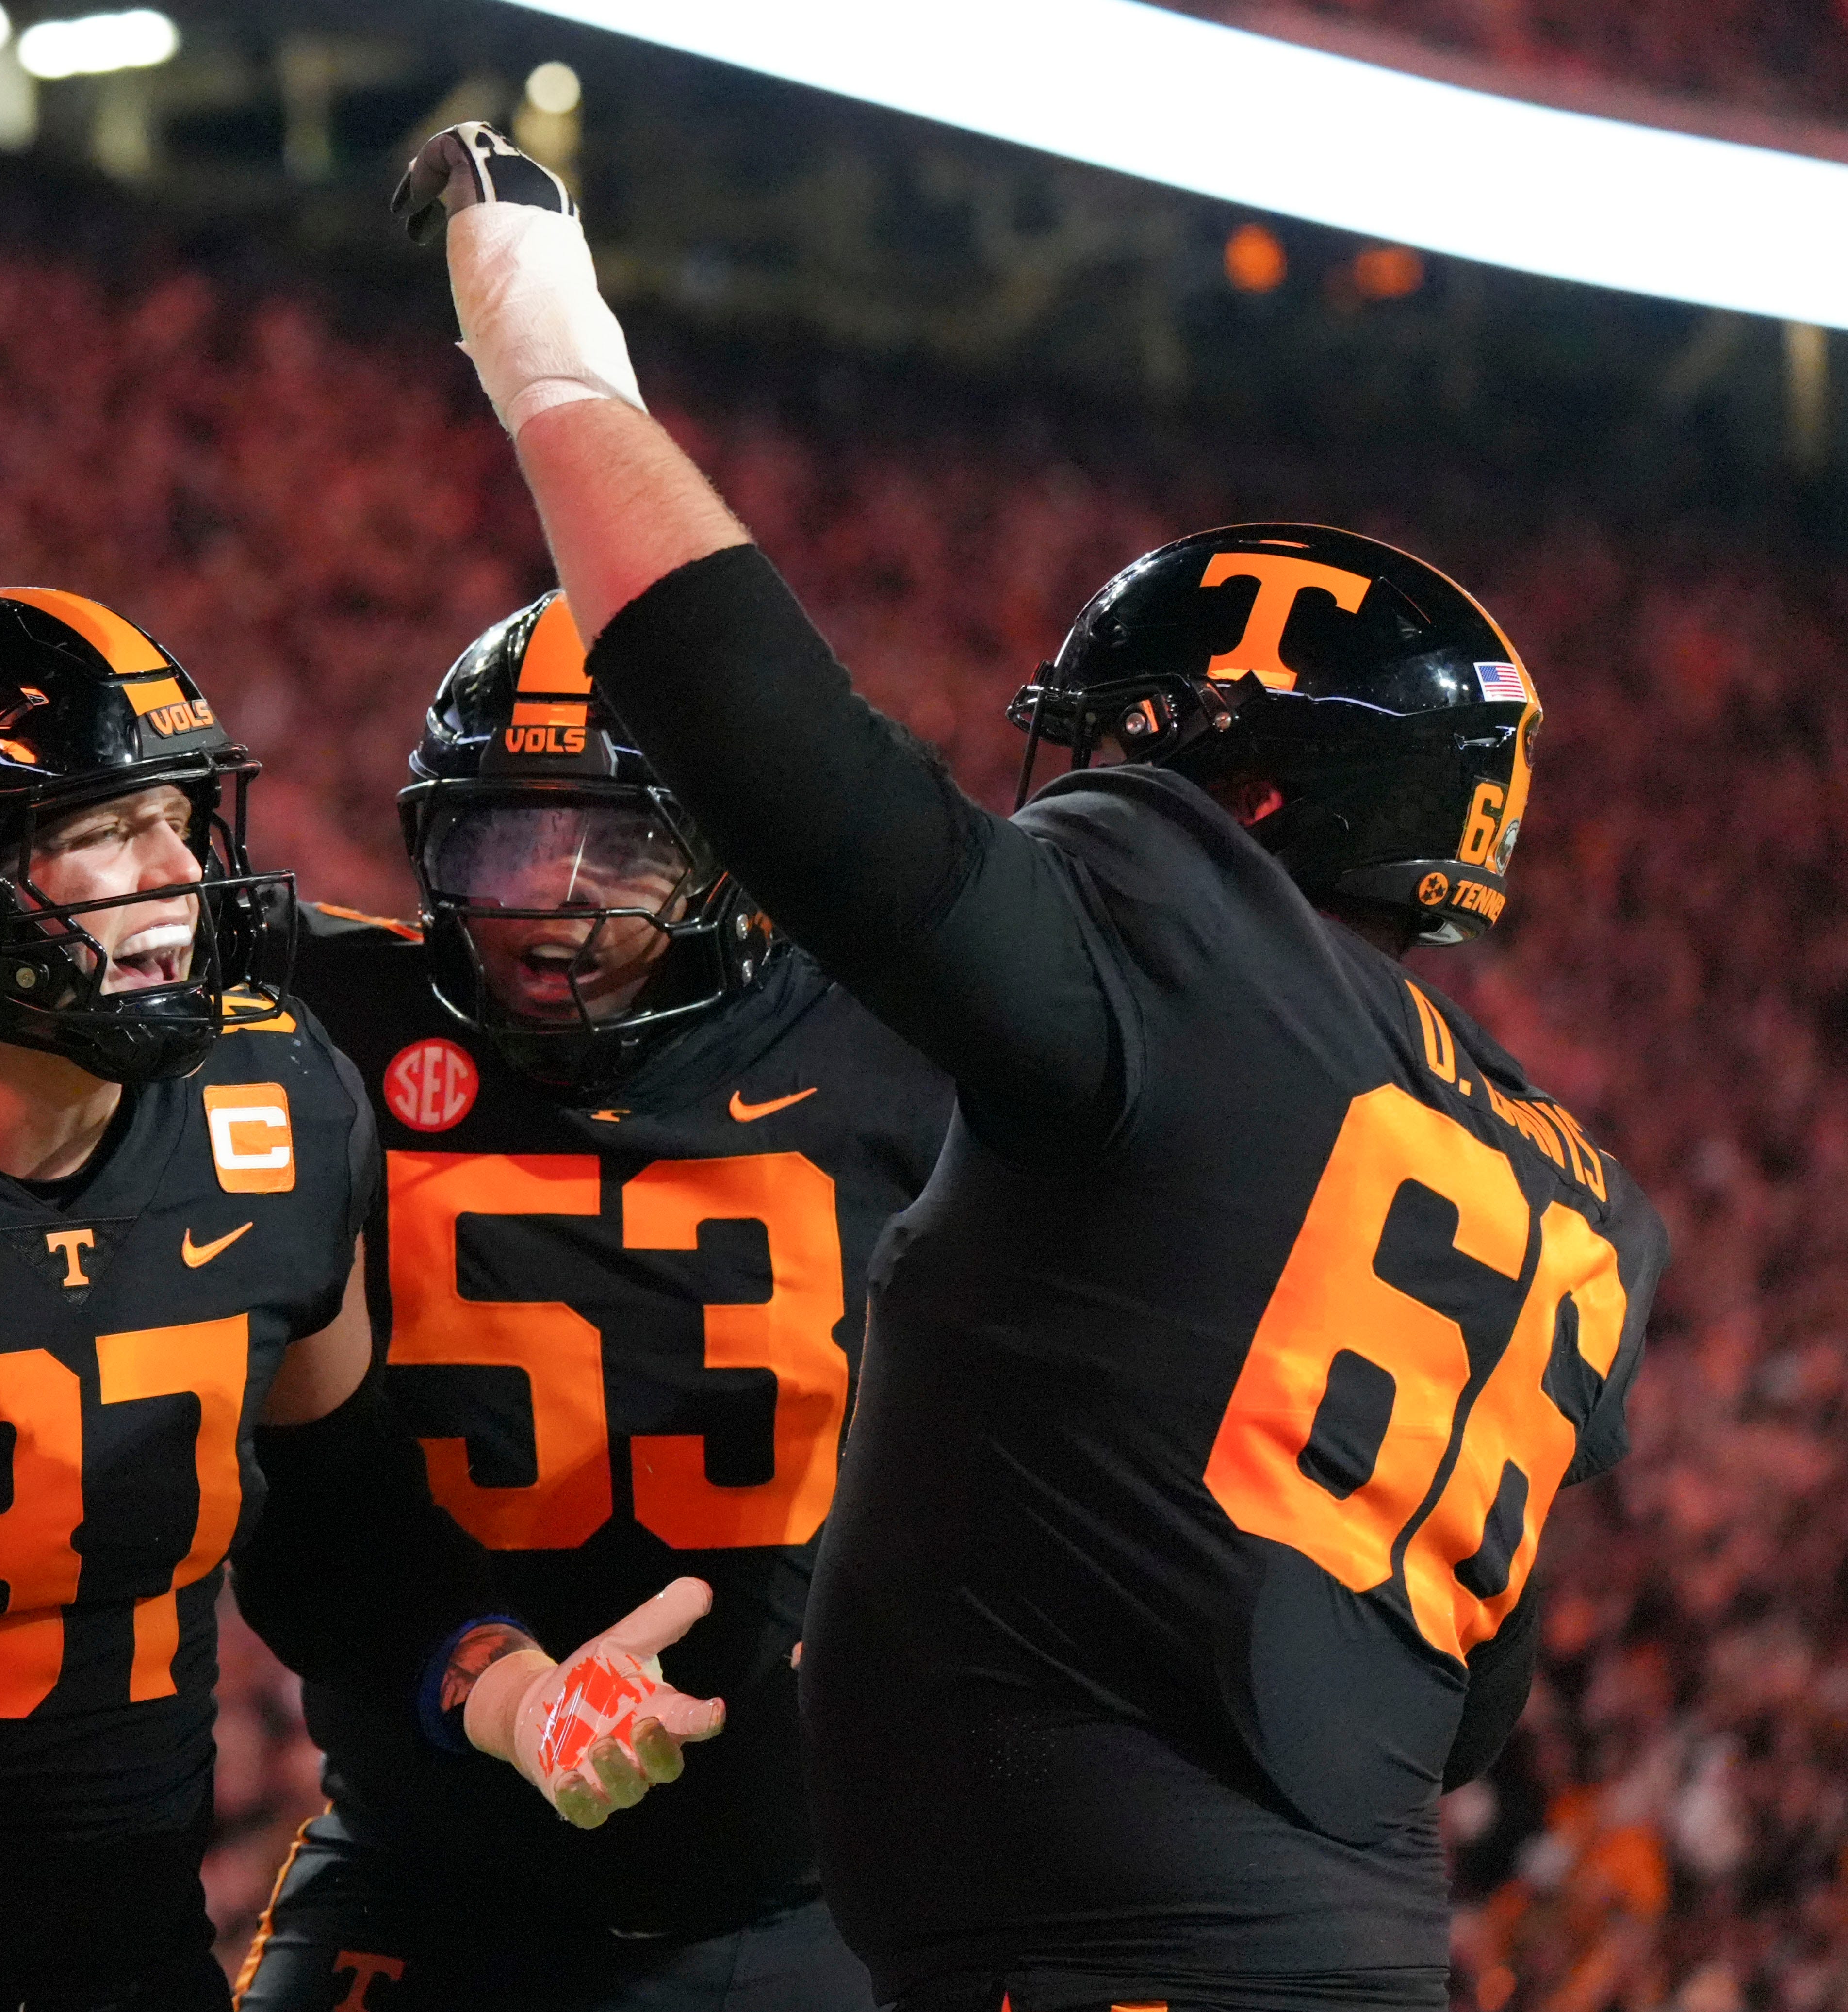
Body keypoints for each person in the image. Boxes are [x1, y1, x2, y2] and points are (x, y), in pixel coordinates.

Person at [391, 125, 1671, 2012]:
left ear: (1237, 791)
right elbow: (1466, 1704)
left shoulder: (1191, 938)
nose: (1078, 791)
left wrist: (553, 356)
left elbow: (823, 796)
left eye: (1120, 747)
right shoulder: (1575, 1185)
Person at [0, 587, 955, 2012]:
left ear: (734, 842)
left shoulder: (907, 1051)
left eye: (615, 843)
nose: (542, 894)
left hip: (795, 1859)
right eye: (496, 833)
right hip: (421, 1841)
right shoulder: (299, 1016)